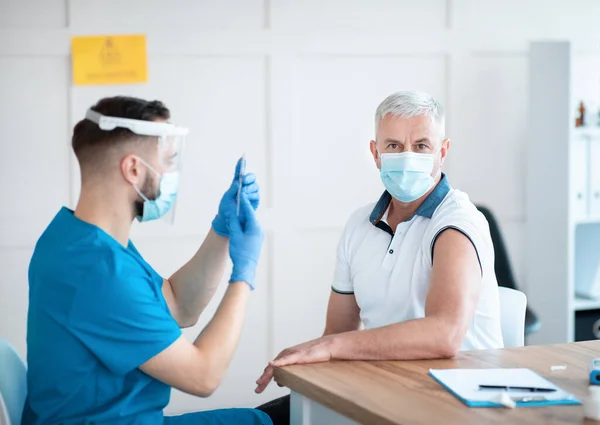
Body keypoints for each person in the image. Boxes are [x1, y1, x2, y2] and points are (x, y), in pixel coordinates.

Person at [255, 90, 504, 424]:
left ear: (442, 152)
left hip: (458, 402)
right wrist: (308, 361)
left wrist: (330, 347)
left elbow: (444, 335)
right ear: (375, 153)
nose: (407, 157)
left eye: (421, 146)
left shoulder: (458, 223)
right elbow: (338, 331)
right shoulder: (360, 224)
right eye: (393, 146)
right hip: (383, 387)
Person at [23, 96, 272, 425]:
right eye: (168, 160)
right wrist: (245, 274)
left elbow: (178, 306)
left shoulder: (78, 240)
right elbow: (204, 375)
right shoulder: (100, 272)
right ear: (134, 169)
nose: (172, 173)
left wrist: (221, 232)